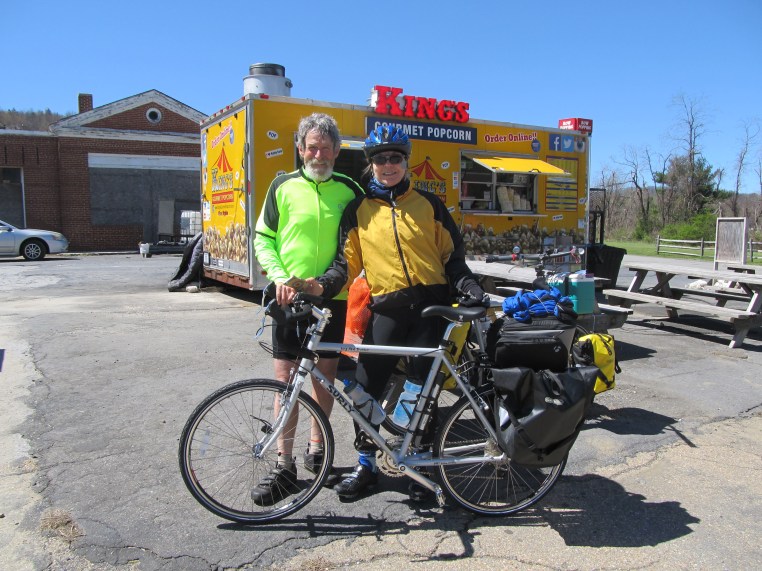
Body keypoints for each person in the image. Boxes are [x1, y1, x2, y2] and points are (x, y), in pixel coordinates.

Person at [306, 125, 488, 501]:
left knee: (423, 392)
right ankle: (366, 464)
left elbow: (453, 260)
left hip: (430, 311)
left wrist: (470, 287)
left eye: (395, 158)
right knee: (365, 391)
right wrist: (320, 287)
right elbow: (345, 266)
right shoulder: (358, 211)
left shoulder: (430, 205)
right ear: (371, 164)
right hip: (386, 310)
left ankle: (421, 466)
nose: (388, 165)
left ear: (406, 162)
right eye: (380, 159)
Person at [251, 113, 363, 505]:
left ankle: (318, 452)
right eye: (312, 147)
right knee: (285, 382)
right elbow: (263, 237)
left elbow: (356, 246)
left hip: (332, 299)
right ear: (301, 149)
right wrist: (280, 277)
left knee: (324, 378)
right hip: (288, 297)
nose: (319, 155)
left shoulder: (349, 189)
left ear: (337, 151)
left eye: (326, 148)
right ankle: (284, 464)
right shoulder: (282, 186)